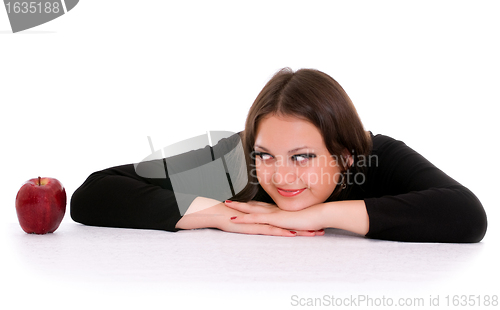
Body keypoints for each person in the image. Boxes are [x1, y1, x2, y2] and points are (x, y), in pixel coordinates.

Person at [70, 68, 487, 242]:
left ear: (343, 156)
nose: (280, 176)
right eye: (266, 155)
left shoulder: (376, 156)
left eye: (302, 157)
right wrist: (218, 215)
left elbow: (467, 214)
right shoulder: (238, 162)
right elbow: (94, 192)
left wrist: (315, 216)